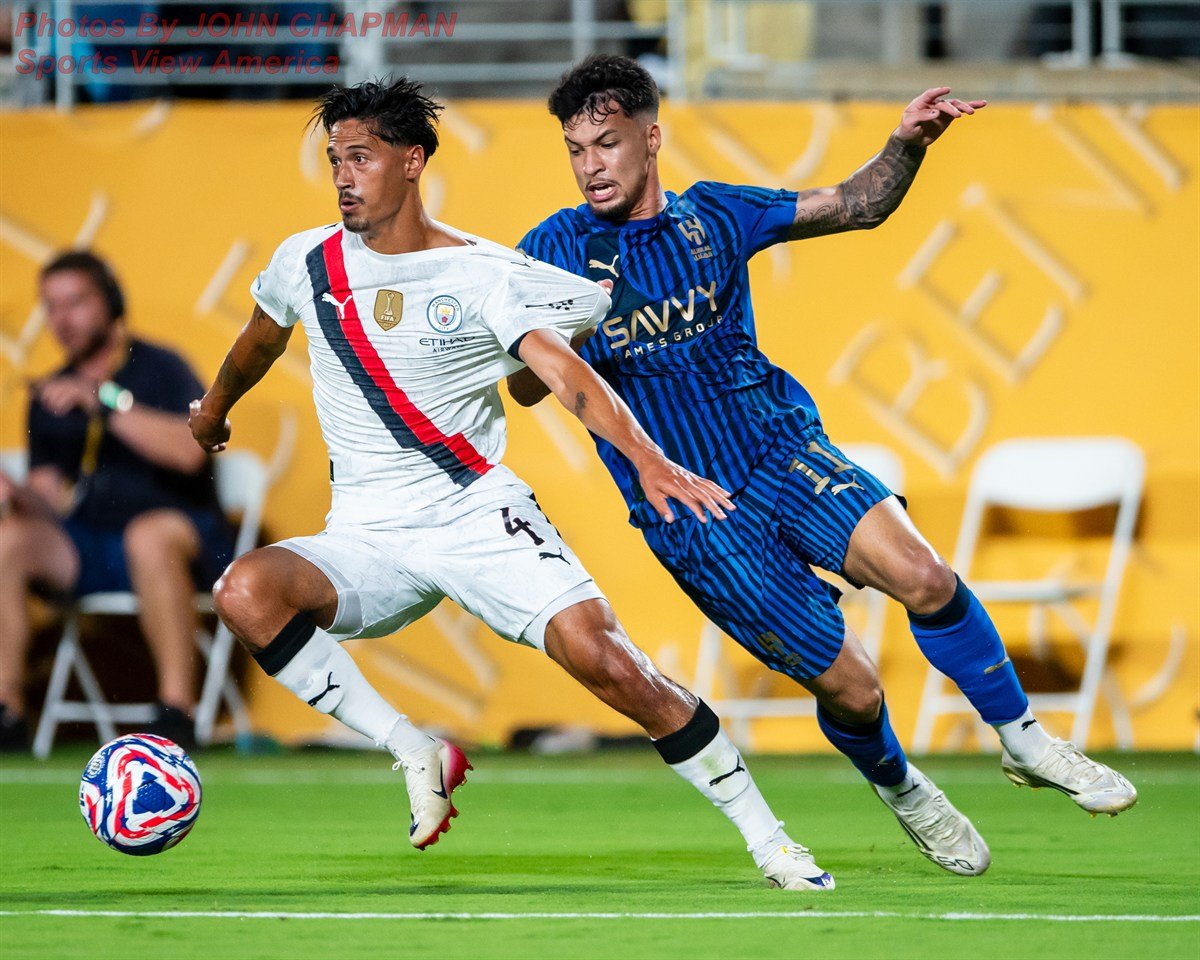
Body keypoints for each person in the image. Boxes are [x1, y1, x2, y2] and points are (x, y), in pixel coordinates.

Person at [188, 77, 834, 891]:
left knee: (607, 662)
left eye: (361, 158)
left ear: (412, 161)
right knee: (245, 592)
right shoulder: (305, 261)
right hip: (365, 534)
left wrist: (648, 458)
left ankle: (771, 840)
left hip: (474, 514)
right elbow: (260, 338)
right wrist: (213, 411)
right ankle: (413, 749)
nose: (344, 178)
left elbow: (564, 376)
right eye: (335, 161)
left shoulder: (486, 275)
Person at [509, 55, 1137, 878]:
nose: (591, 165)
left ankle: (1025, 741)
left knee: (926, 576)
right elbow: (523, 386)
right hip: (695, 512)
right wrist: (572, 320)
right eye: (575, 149)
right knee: (855, 688)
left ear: (651, 139)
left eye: (607, 143)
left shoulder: (716, 215)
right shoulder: (550, 250)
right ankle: (903, 787)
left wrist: (908, 143)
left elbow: (856, 204)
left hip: (781, 449)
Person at [0, 251, 233, 751]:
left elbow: (190, 452)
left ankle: (176, 711)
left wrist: (100, 400)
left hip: (178, 539)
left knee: (146, 536)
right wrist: (13, 493)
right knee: (9, 540)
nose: (62, 319)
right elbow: (48, 502)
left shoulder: (161, 367)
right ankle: (7, 710)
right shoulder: (50, 396)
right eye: (51, 307)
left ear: (109, 301)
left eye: (75, 302)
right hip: (92, 547)